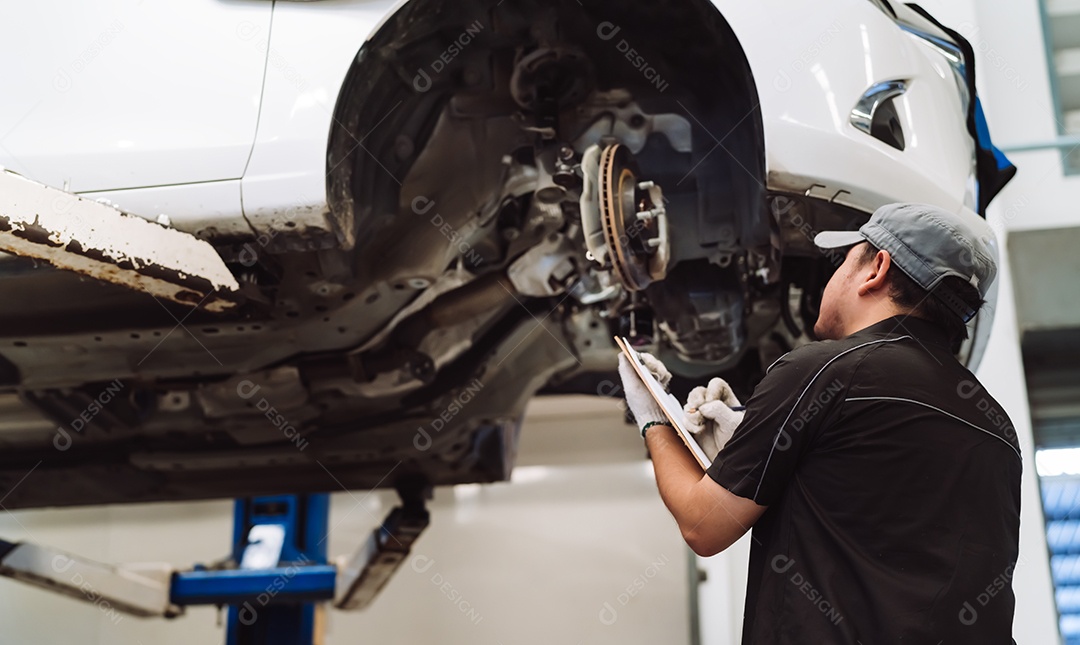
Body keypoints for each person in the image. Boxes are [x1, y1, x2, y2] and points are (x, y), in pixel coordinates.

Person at [618, 202, 1021, 644]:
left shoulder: (825, 370)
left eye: (843, 260)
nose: (834, 275)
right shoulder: (996, 428)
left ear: (876, 269)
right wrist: (751, 454)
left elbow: (703, 525)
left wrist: (653, 417)